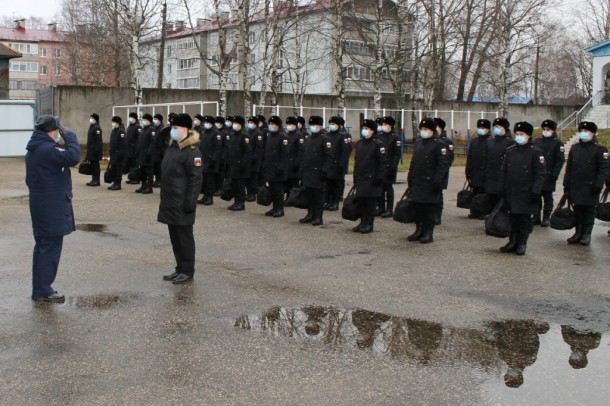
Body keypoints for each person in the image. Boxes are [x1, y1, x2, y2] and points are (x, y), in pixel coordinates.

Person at [25, 115, 81, 302]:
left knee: (42, 247)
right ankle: (43, 290)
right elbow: (73, 157)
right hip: (51, 207)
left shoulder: (34, 149)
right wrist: (71, 138)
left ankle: (39, 289)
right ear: (52, 132)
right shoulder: (48, 149)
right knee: (50, 248)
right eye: (58, 131)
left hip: (41, 204)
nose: (59, 134)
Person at [158, 113, 203, 284]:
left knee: (184, 238)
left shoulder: (193, 152)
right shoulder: (173, 148)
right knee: (175, 239)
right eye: (172, 128)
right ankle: (179, 268)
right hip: (170, 200)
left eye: (175, 128)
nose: (172, 131)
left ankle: (188, 270)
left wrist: (190, 203)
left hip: (183, 202)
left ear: (185, 129)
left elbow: (195, 180)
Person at [499, 122, 546, 255]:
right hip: (511, 190)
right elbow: (504, 171)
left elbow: (540, 174)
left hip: (527, 192)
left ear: (528, 135)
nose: (518, 136)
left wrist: (536, 191)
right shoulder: (510, 150)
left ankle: (522, 243)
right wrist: (501, 187)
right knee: (512, 217)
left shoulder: (536, 152)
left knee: (524, 219)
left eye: (522, 134)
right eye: (517, 134)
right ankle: (512, 241)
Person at [563, 121, 609, 245]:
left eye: (586, 131)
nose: (583, 133)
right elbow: (569, 167)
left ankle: (586, 234)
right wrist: (566, 183)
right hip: (576, 184)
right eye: (582, 131)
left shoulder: (600, 149)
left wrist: (599, 184)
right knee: (577, 209)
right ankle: (578, 233)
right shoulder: (575, 147)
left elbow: (603, 169)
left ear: (593, 133)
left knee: (589, 211)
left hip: (591, 186)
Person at [405, 118, 450, 243]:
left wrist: (437, 181)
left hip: (430, 183)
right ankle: (418, 230)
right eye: (422, 129)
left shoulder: (439, 144)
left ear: (432, 130)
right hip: (417, 182)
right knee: (418, 208)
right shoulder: (419, 142)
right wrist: (410, 177)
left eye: (426, 129)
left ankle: (428, 233)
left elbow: (443, 165)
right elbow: (414, 162)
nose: (423, 131)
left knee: (428, 209)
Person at [352, 119, 388, 234]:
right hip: (361, 178)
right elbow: (357, 161)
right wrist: (355, 176)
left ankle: (369, 224)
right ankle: (362, 222)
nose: (364, 130)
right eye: (363, 128)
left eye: (366, 128)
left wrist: (379, 177)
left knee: (370, 203)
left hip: (372, 179)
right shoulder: (360, 143)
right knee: (362, 201)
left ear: (372, 130)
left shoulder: (378, 144)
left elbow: (382, 163)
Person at [300, 116, 333, 226]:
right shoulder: (309, 138)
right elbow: (305, 156)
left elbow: (329, 157)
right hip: (308, 171)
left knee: (318, 196)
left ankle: (318, 217)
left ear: (320, 126)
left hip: (318, 172)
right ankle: (310, 214)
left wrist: (325, 171)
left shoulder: (325, 139)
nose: (313, 127)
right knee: (309, 194)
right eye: (312, 125)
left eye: (315, 125)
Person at [532, 119, 565, 226]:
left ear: (553, 131)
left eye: (548, 129)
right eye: (544, 129)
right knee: (536, 196)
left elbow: (560, 160)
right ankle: (536, 216)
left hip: (549, 173)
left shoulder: (557, 143)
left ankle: (546, 217)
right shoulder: (537, 141)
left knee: (547, 197)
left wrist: (555, 174)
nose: (545, 131)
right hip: (537, 174)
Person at [262, 116, 289, 217]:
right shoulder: (269, 135)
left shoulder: (283, 137)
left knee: (278, 191)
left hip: (278, 169)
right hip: (270, 168)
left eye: (273, 124)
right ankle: (274, 208)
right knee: (272, 190)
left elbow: (285, 154)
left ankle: (280, 209)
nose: (271, 126)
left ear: (278, 126)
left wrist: (280, 167)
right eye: (270, 124)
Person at [484, 118, 514, 208]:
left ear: (505, 128)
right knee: (490, 197)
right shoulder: (490, 141)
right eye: (495, 126)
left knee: (501, 199)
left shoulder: (510, 142)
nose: (497, 128)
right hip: (490, 175)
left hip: (502, 175)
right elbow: (486, 158)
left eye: (499, 126)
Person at [375, 116, 401, 218]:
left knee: (388, 187)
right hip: (380, 167)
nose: (383, 126)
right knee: (380, 187)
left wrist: (393, 167)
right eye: (383, 124)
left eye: (386, 124)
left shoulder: (395, 137)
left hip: (390, 166)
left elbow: (397, 154)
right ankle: (381, 208)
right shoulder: (379, 135)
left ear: (391, 126)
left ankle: (389, 209)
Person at [465, 119, 492, 218]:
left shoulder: (490, 141)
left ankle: (483, 211)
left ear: (488, 129)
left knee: (483, 193)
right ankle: (474, 211)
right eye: (479, 128)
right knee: (475, 192)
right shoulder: (475, 141)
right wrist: (467, 170)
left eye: (483, 128)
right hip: (474, 170)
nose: (481, 130)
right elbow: (470, 156)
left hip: (484, 171)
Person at [325, 116, 352, 211]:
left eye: (333, 124)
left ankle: (335, 202)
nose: (331, 126)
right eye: (330, 124)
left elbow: (345, 152)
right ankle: (328, 201)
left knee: (336, 185)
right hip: (329, 164)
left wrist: (341, 165)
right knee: (328, 184)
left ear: (338, 125)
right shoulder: (327, 135)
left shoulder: (342, 136)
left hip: (337, 164)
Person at [227, 116, 252, 211]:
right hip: (233, 164)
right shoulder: (233, 134)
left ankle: (241, 203)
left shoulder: (245, 135)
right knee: (235, 185)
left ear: (241, 125)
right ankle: (236, 202)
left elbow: (247, 152)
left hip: (241, 165)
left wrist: (243, 164)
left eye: (236, 123)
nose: (234, 125)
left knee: (240, 185)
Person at [197, 116, 222, 205]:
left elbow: (218, 148)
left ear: (211, 124)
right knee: (204, 180)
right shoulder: (203, 132)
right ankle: (205, 196)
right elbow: (199, 145)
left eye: (208, 122)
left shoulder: (216, 133)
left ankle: (209, 198)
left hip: (211, 161)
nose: (206, 124)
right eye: (205, 122)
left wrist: (214, 159)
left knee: (210, 180)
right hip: (202, 159)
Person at [434, 117, 454, 224]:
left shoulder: (446, 142)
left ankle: (437, 216)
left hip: (441, 173)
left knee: (438, 195)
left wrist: (442, 171)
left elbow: (449, 158)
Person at [135, 113, 155, 194]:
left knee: (149, 172)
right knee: (142, 171)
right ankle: (143, 185)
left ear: (149, 121)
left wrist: (149, 153)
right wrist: (137, 151)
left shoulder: (151, 129)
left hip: (148, 155)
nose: (144, 121)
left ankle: (149, 187)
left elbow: (152, 143)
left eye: (145, 120)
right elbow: (139, 141)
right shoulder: (143, 129)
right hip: (141, 155)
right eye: (143, 120)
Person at [284, 116, 305, 192]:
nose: (288, 126)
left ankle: (291, 199)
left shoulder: (299, 135)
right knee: (287, 182)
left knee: (293, 183)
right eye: (287, 124)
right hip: (287, 163)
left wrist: (297, 163)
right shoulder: (287, 135)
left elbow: (301, 151)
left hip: (294, 164)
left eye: (290, 124)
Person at [246, 115, 264, 201]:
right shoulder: (248, 132)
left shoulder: (258, 134)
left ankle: (253, 194)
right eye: (249, 122)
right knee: (248, 177)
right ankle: (249, 193)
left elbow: (259, 148)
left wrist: (254, 158)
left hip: (254, 160)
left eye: (251, 123)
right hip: (248, 159)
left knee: (253, 178)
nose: (249, 124)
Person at [107, 115, 126, 191]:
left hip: (119, 155)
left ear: (118, 122)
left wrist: (119, 154)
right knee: (114, 169)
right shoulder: (114, 130)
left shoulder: (121, 131)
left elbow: (123, 144)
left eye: (114, 122)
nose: (113, 123)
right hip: (113, 154)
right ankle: (114, 183)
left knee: (118, 170)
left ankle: (118, 184)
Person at [85, 113, 103, 186]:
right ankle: (93, 179)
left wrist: (96, 150)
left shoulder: (97, 128)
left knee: (96, 166)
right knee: (93, 166)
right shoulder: (92, 127)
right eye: (90, 118)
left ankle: (96, 180)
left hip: (95, 151)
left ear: (96, 119)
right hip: (91, 150)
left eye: (92, 118)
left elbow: (98, 140)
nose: (90, 119)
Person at [153, 113, 170, 187]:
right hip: (155, 151)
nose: (154, 121)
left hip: (160, 151)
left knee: (160, 167)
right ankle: (157, 180)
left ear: (160, 120)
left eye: (156, 119)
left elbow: (163, 141)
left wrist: (162, 151)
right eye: (154, 119)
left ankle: (160, 181)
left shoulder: (162, 128)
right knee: (156, 167)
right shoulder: (154, 128)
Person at [124, 112, 141, 184]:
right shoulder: (130, 126)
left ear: (135, 118)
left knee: (135, 164)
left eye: (131, 117)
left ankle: (136, 179)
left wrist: (137, 148)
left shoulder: (137, 127)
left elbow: (139, 139)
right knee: (130, 164)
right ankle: (131, 178)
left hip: (135, 149)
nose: (130, 119)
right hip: (129, 149)